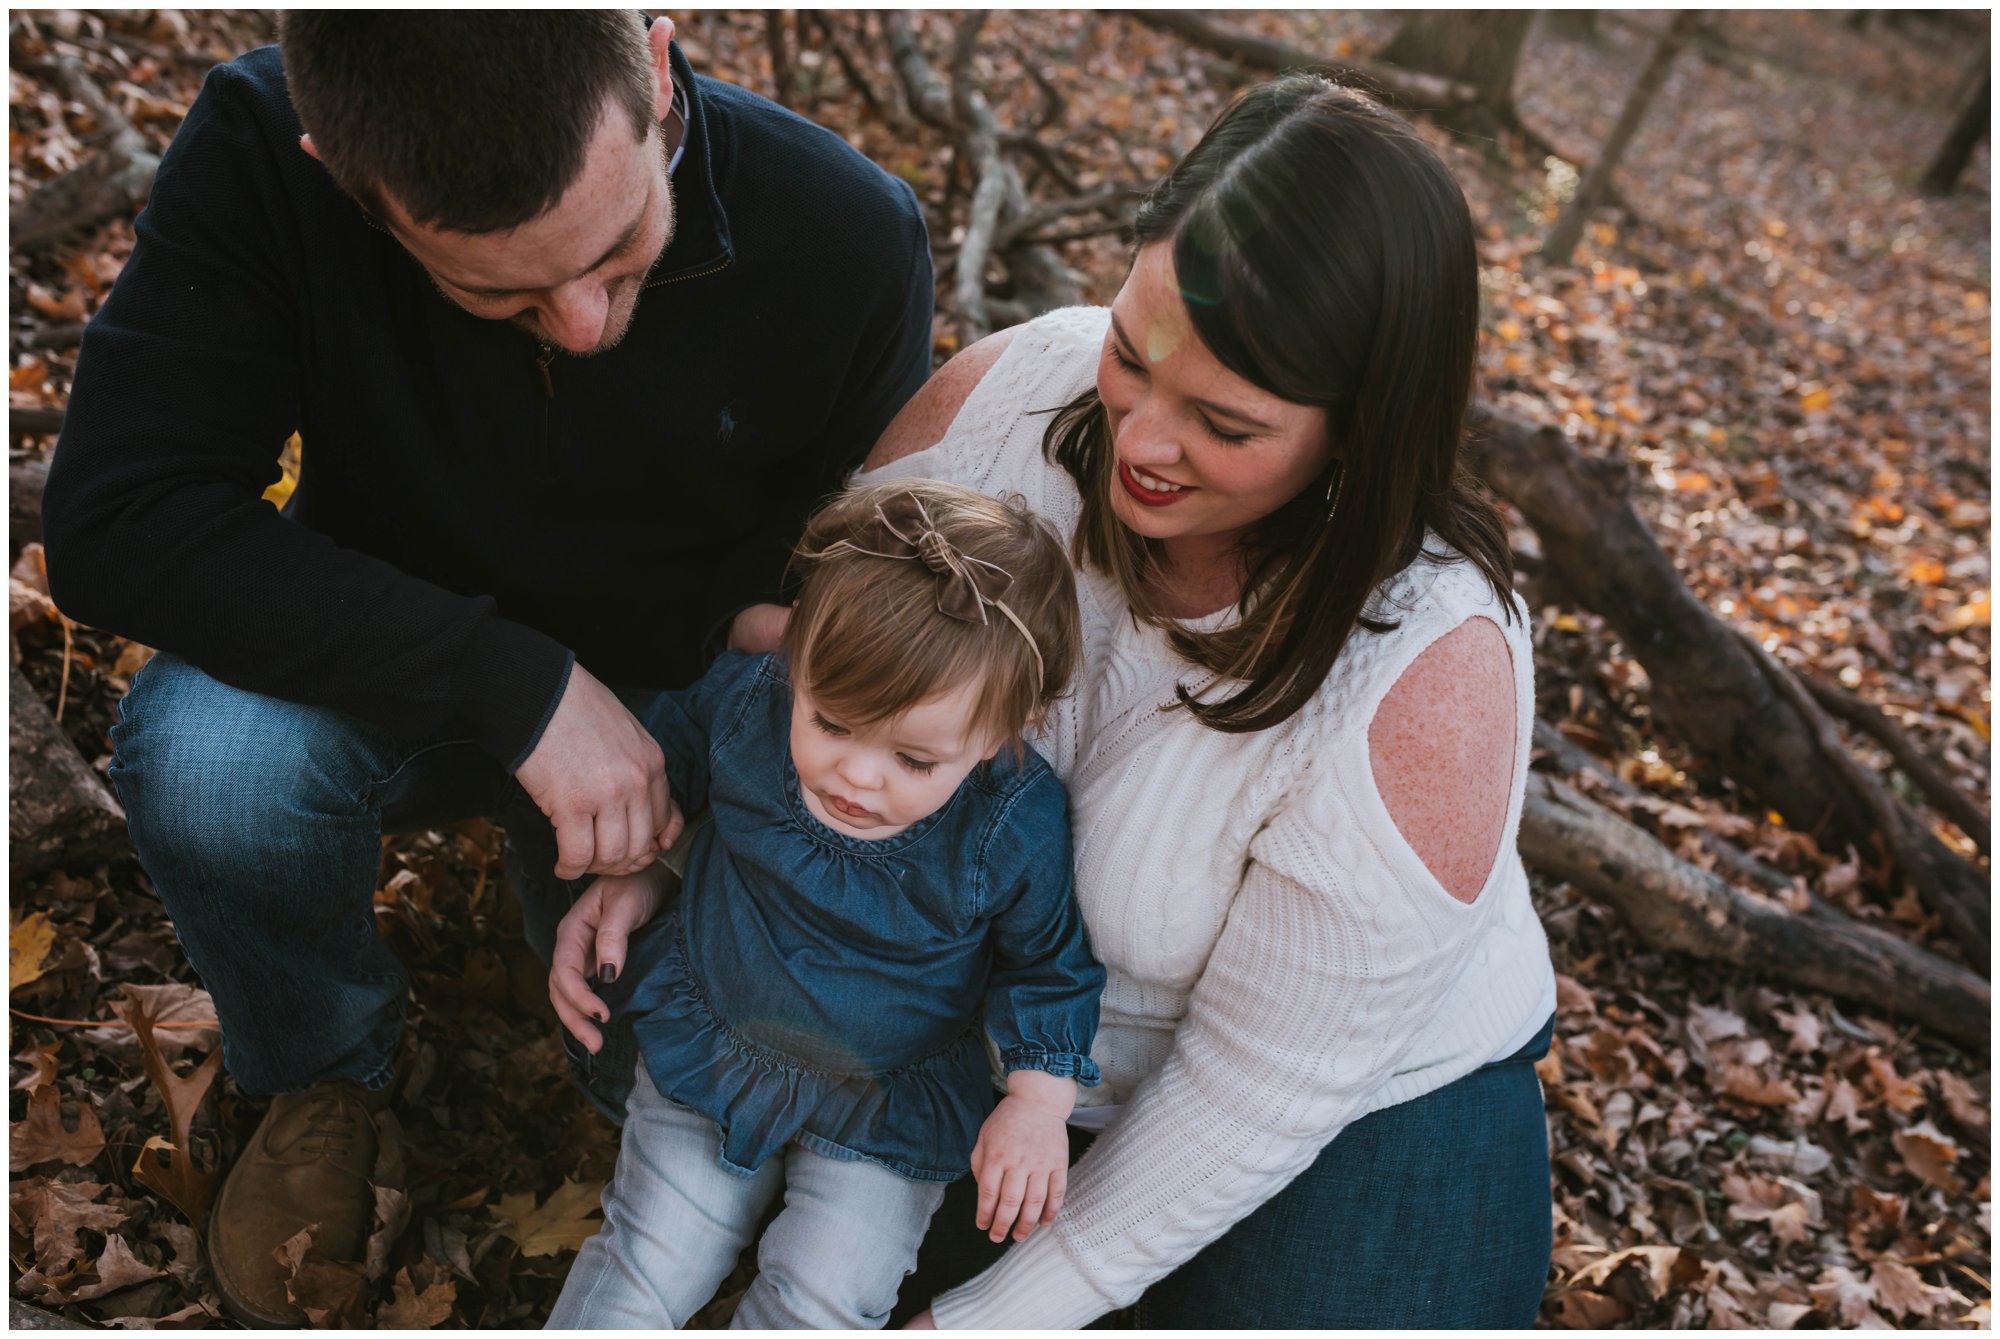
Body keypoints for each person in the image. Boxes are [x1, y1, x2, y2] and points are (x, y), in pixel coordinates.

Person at [564, 73, 1559, 1328]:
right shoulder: (1007, 405)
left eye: (1222, 422)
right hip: (952, 1021)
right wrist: (659, 858)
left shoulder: (1429, 668)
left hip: (1347, 1100)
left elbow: (1254, 1093)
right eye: (1131, 355)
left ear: (1354, 432)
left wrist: (981, 1319)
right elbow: (804, 679)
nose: (1140, 437)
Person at [38, 11, 933, 1327]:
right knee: (208, 759)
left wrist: (689, 817)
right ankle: (326, 1066)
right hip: (378, 668)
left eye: (619, 247)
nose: (579, 324)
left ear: (660, 67)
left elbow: (858, 614)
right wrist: (511, 682)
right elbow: (117, 523)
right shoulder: (259, 150)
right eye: (500, 294)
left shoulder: (850, 231)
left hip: (684, 707)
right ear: (350, 183)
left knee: (711, 1101)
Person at [543, 480, 1104, 1328]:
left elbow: (1047, 962)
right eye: (832, 722)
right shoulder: (751, 706)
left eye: (915, 759)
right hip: (720, 1040)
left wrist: (1036, 1103)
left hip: (889, 1099)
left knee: (821, 1298)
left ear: (1000, 731)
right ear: (795, 661)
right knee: (650, 1255)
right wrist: (642, 863)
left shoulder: (1008, 824)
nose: (857, 774)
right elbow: (678, 758)